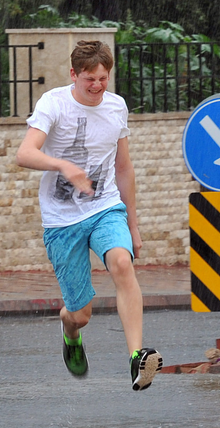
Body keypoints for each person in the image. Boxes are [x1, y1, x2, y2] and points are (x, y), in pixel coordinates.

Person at [16, 40, 163, 391]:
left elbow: (123, 167)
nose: (97, 86)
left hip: (104, 206)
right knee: (80, 314)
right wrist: (63, 165)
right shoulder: (54, 103)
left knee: (122, 263)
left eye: (102, 78)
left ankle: (136, 358)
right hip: (61, 219)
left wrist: (133, 225)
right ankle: (69, 332)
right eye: (89, 80)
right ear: (73, 75)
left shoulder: (116, 107)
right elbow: (25, 153)